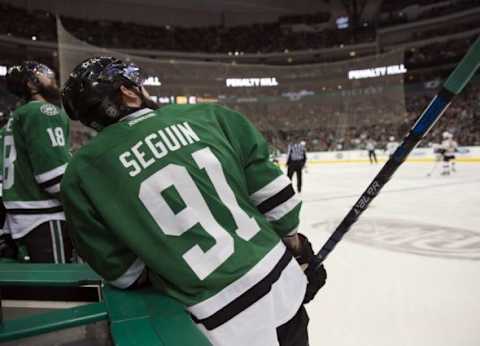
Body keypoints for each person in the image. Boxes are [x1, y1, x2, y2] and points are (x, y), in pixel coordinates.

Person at [60, 57, 327, 346]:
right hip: (281, 285)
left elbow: (125, 274)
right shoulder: (209, 115)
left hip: (212, 322)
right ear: (128, 92)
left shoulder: (78, 175)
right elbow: (277, 201)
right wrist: (297, 247)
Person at [3, 61, 73, 263]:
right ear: (32, 84)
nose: (53, 80)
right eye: (47, 76)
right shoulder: (43, 112)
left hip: (21, 213)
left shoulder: (18, 115)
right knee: (60, 290)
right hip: (44, 216)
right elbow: (54, 179)